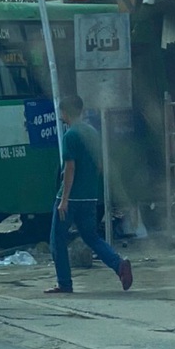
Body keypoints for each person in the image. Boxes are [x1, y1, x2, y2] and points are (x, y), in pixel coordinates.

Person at [45, 94, 133, 295]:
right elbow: (100, 165)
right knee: (91, 237)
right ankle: (119, 265)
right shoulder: (92, 132)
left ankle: (64, 283)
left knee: (57, 239)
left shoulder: (70, 135)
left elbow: (70, 168)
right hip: (90, 196)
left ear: (64, 113)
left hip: (70, 198)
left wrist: (64, 199)